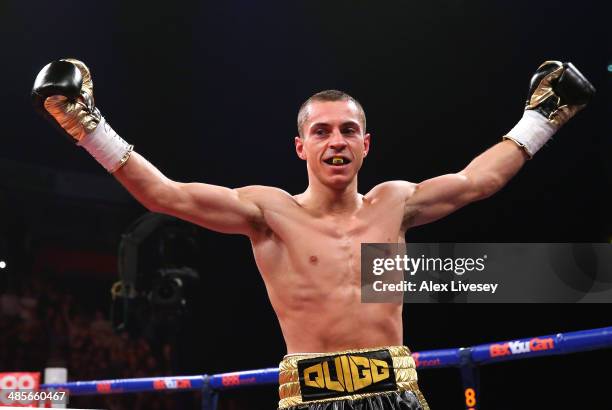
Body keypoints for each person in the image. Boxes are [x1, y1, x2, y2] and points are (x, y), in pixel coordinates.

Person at [32, 59, 594, 409]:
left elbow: (476, 181)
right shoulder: (268, 212)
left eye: (349, 130)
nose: (336, 141)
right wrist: (88, 127)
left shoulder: (394, 203)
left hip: (396, 391)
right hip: (309, 396)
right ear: (301, 146)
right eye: (321, 131)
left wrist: (542, 119)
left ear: (365, 145)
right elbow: (167, 195)